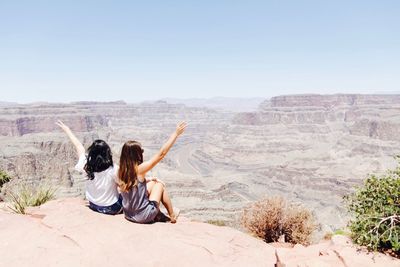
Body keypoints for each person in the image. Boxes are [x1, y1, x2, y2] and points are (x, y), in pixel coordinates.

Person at [118, 121, 187, 224]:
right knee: (159, 185)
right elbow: (161, 154)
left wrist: (149, 179)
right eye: (141, 151)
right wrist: (175, 134)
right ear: (136, 155)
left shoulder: (121, 170)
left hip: (128, 214)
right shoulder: (139, 169)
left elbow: (134, 185)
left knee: (152, 183)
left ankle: (160, 215)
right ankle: (172, 216)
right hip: (143, 216)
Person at [56, 120, 122, 215]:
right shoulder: (114, 169)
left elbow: (78, 146)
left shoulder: (86, 165)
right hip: (111, 208)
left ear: (92, 153)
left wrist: (67, 130)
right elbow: (122, 185)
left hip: (93, 205)